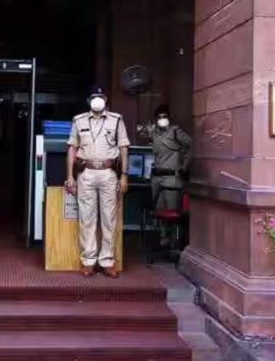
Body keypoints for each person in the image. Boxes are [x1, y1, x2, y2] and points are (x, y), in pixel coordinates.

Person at [65, 87, 130, 278]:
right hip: (86, 173)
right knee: (87, 219)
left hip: (109, 173)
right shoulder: (79, 120)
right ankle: (88, 261)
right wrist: (70, 176)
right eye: (94, 97)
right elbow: (72, 148)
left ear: (106, 99)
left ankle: (107, 261)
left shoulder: (116, 120)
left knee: (109, 218)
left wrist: (124, 175)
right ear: (88, 100)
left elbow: (124, 148)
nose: (97, 100)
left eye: (100, 97)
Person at [142, 104, 192, 234]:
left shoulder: (175, 132)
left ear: (169, 118)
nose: (162, 119)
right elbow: (142, 134)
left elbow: (191, 145)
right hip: (157, 178)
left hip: (171, 178)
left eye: (164, 116)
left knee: (172, 211)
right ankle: (163, 238)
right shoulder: (154, 134)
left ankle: (174, 240)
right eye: (159, 117)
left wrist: (184, 166)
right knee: (159, 211)